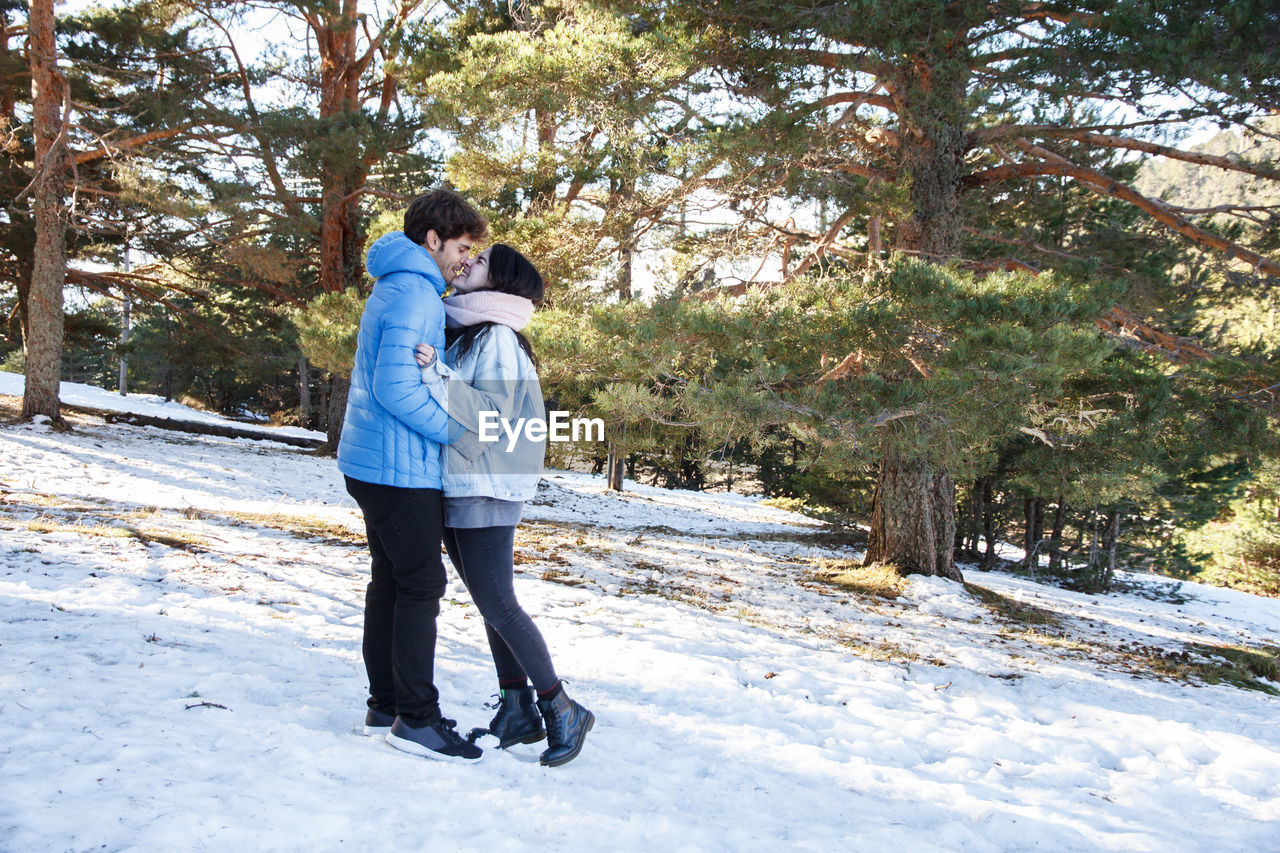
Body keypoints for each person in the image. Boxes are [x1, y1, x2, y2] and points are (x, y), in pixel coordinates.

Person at [414, 243, 595, 767]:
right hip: (464, 478)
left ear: (502, 284)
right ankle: (517, 709)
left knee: (499, 601)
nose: (468, 262)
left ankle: (561, 706)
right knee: (489, 601)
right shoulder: (473, 330)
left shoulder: (494, 336)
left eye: (483, 262)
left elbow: (492, 413)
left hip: (487, 482)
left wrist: (437, 376)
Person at [337, 187, 490, 762]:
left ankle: (386, 704)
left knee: (393, 581)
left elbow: (408, 373)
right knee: (421, 585)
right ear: (433, 239)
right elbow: (396, 387)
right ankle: (417, 720)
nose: (467, 260)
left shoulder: (402, 285)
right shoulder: (414, 294)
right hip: (397, 468)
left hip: (376, 462)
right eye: (462, 247)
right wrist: (460, 434)